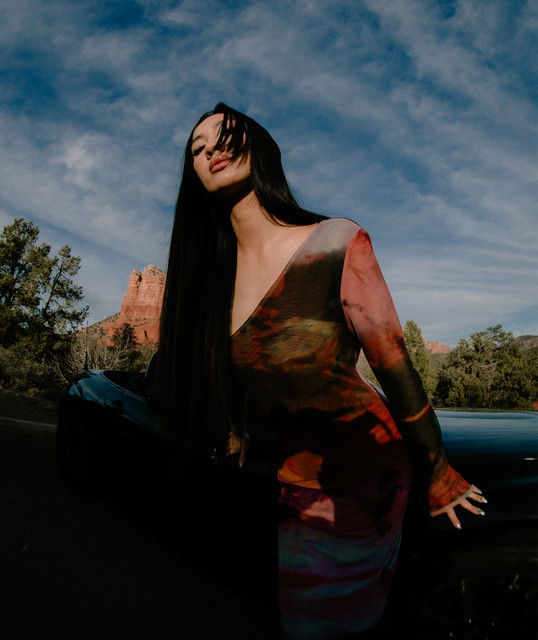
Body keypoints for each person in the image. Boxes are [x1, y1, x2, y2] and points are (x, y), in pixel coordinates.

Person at [157, 103, 487, 640]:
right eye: (197, 148)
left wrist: (437, 470)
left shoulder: (335, 242)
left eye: (225, 134)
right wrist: (235, 428)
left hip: (369, 472)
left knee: (327, 625)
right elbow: (231, 367)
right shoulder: (213, 283)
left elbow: (395, 365)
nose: (211, 148)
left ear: (257, 146)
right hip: (297, 486)